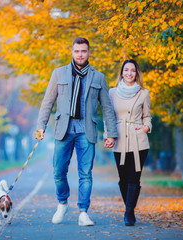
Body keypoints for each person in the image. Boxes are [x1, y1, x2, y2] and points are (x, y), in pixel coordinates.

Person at [36, 37, 118, 226]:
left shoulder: (98, 77)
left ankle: (83, 212)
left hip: (86, 129)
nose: (80, 54)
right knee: (58, 171)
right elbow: (47, 102)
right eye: (77, 51)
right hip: (63, 129)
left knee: (86, 173)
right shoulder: (58, 74)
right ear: (72, 52)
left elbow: (106, 108)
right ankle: (62, 203)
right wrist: (41, 126)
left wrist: (111, 133)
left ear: (89, 53)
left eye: (83, 51)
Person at [106, 59, 152, 226]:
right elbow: (109, 117)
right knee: (123, 179)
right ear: (122, 73)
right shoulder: (112, 92)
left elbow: (147, 116)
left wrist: (146, 127)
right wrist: (108, 135)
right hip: (119, 140)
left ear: (137, 73)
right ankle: (130, 209)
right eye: (126, 70)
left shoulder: (143, 93)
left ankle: (128, 213)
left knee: (134, 178)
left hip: (138, 140)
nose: (129, 73)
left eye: (133, 70)